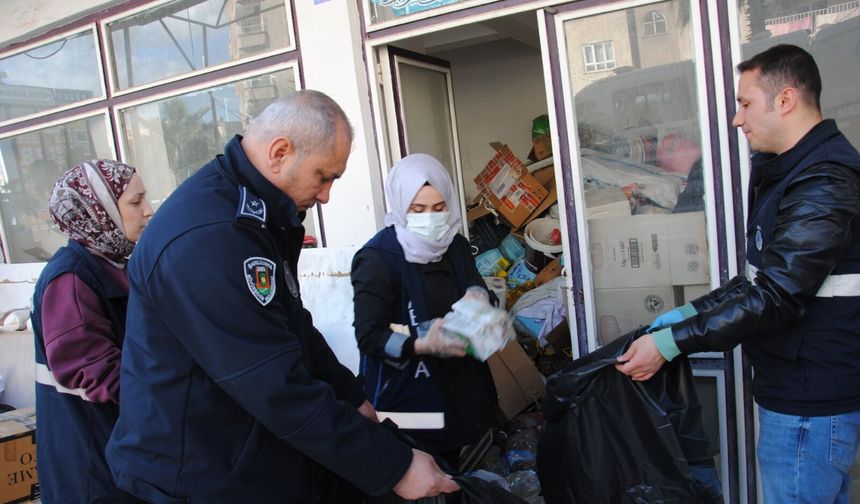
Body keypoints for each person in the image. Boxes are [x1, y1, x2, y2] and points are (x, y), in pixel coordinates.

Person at [105, 90, 459, 503]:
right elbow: (273, 384)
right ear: (280, 153)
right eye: (324, 177)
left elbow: (293, 325)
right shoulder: (209, 238)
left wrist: (352, 397)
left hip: (242, 455)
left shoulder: (257, 214)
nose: (326, 195)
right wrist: (392, 466)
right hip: (194, 474)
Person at [616, 44, 860, 503]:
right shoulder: (790, 172)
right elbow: (758, 279)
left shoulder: (823, 180)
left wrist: (670, 344)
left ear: (785, 100)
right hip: (798, 391)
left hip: (809, 402)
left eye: (745, 103)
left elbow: (775, 296)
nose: (736, 119)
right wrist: (687, 314)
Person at [351, 153, 497, 468]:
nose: (430, 218)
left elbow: (476, 286)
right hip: (411, 405)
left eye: (439, 207)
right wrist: (421, 343)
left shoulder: (455, 246)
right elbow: (369, 336)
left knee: (464, 477)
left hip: (462, 393)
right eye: (418, 210)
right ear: (400, 206)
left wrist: (480, 297)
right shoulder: (377, 259)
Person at [31, 159, 153, 503]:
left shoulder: (115, 265)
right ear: (97, 211)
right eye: (135, 202)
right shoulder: (71, 279)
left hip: (116, 453)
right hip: (93, 467)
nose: (148, 210)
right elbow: (94, 370)